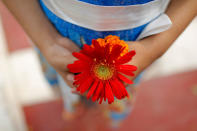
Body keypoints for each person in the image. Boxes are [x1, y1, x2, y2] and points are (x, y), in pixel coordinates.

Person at [3, 0, 197, 128]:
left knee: (113, 97)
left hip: (134, 48)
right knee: (66, 85)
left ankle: (97, 115)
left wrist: (155, 46)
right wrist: (45, 38)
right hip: (51, 30)